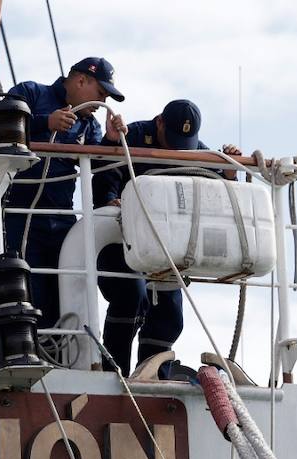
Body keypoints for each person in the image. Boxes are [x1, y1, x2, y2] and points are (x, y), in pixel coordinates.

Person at [93, 99, 242, 375]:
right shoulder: (133, 137)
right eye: (173, 139)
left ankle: (152, 376)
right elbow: (104, 173)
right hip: (121, 239)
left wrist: (230, 175)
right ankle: (112, 373)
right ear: (159, 121)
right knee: (131, 296)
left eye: (183, 143)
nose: (177, 149)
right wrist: (109, 198)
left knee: (171, 316)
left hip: (166, 248)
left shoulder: (198, 152)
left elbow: (217, 196)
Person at [3, 58, 126, 339]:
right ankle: (33, 352)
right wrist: (45, 122)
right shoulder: (31, 94)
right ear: (82, 81)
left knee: (66, 294)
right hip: (22, 217)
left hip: (60, 220)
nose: (102, 101)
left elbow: (96, 166)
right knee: (30, 293)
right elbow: (0, 125)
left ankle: (62, 355)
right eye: (101, 94)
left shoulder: (90, 127)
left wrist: (109, 141)